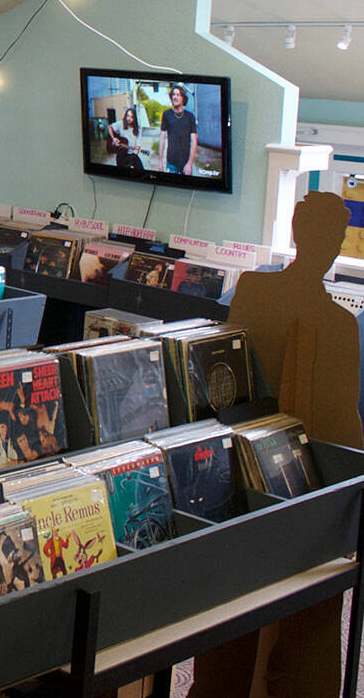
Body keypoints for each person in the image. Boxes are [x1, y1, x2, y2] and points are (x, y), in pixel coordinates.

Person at [188, 192, 361, 698]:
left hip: (231, 467)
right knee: (303, 617)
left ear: (292, 230)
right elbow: (341, 426)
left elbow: (222, 376)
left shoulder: (254, 289)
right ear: (330, 244)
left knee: (230, 606)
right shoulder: (339, 324)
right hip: (305, 483)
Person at [157, 84, 197, 175]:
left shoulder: (190, 116)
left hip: (186, 163)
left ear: (183, 98)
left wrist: (190, 164)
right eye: (173, 95)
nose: (175, 97)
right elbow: (162, 138)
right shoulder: (166, 114)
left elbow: (194, 141)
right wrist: (160, 161)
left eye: (178, 95)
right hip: (171, 162)